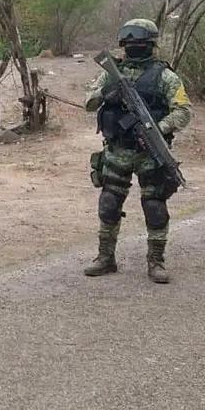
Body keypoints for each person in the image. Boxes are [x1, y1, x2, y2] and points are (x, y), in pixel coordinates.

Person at [82, 18, 192, 283]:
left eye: (139, 41)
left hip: (149, 153)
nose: (133, 46)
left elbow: (183, 111)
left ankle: (156, 262)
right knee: (109, 204)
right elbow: (89, 102)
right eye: (129, 42)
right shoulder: (111, 73)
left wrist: (156, 128)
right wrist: (106, 94)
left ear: (150, 44)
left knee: (154, 206)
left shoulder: (165, 77)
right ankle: (105, 258)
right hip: (117, 150)